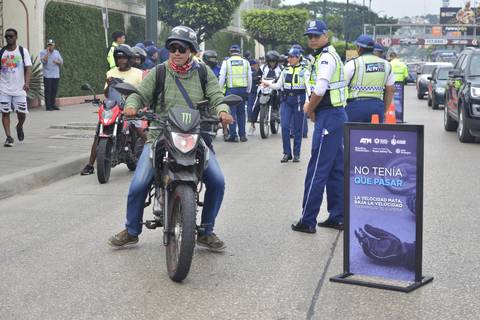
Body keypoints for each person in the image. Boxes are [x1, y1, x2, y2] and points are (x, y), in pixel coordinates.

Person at [108, 26, 233, 251]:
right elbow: (139, 95)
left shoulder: (204, 73)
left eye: (182, 48)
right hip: (160, 134)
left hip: (194, 135)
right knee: (138, 185)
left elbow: (217, 96)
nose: (176, 52)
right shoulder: (159, 72)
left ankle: (206, 230)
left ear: (192, 51)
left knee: (217, 181)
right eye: (172, 48)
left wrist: (223, 110)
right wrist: (131, 106)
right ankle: (132, 230)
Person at [291, 20, 348, 233]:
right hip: (333, 115)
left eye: (316, 35)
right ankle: (338, 216)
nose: (312, 39)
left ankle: (307, 220)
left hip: (329, 116)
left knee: (317, 169)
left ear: (326, 35)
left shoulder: (325, 58)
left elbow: (321, 89)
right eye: (310, 36)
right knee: (334, 168)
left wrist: (308, 108)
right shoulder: (324, 56)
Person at [80, 44, 143, 175]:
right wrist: (108, 85)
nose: (121, 60)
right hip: (114, 107)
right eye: (119, 58)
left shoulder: (138, 73)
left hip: (131, 108)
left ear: (129, 58)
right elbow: (108, 94)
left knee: (140, 130)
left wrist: (139, 106)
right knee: (99, 133)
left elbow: (143, 92)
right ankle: (90, 165)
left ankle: (153, 157)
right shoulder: (111, 72)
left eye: (124, 58)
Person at [262, 47, 310, 163]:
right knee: (285, 126)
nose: (289, 59)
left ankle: (296, 154)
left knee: (298, 129)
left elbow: (309, 88)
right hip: (286, 100)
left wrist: (308, 102)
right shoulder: (285, 70)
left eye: (292, 56)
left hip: (299, 100)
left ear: (298, 58)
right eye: (288, 56)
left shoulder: (305, 71)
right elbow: (278, 85)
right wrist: (268, 84)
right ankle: (287, 153)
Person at [344, 35, 395, 123]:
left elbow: (341, 87)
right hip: (377, 107)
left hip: (355, 107)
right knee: (373, 135)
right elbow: (390, 90)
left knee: (353, 135)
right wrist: (384, 110)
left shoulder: (352, 64)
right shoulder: (386, 65)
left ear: (359, 48)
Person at [0, 28, 32, 147]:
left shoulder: (22, 51)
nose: (8, 38)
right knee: (5, 112)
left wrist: (27, 83)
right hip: (4, 88)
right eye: (6, 36)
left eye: (11, 36)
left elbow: (28, 67)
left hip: (19, 88)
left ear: (16, 37)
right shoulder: (1, 52)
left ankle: (19, 126)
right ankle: (8, 137)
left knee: (22, 113)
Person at [219, 44, 252, 142]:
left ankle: (234, 136)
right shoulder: (246, 62)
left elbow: (222, 77)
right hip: (242, 90)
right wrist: (248, 90)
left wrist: (219, 90)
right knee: (241, 113)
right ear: (239, 52)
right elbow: (249, 77)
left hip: (231, 90)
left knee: (232, 113)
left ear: (230, 52)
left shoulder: (226, 62)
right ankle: (243, 135)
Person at [250, 50, 282, 133]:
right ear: (267, 61)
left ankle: (276, 113)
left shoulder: (281, 69)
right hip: (263, 88)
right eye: (270, 61)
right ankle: (252, 124)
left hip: (275, 88)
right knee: (257, 103)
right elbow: (258, 75)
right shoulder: (263, 67)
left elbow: (283, 78)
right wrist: (256, 79)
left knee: (279, 98)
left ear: (277, 61)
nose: (272, 63)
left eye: (274, 61)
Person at [40, 39, 63, 111]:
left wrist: (57, 62)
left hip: (56, 75)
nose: (50, 46)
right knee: (48, 90)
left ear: (54, 45)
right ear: (47, 45)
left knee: (54, 90)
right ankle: (48, 106)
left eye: (51, 45)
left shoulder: (57, 52)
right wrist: (47, 52)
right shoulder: (43, 52)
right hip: (47, 75)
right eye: (49, 45)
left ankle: (53, 105)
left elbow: (61, 62)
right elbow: (44, 61)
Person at [247, 59, 261, 134]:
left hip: (249, 91)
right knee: (254, 106)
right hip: (255, 92)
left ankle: (250, 119)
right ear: (254, 65)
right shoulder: (255, 72)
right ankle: (252, 121)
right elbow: (258, 81)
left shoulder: (247, 71)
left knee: (250, 106)